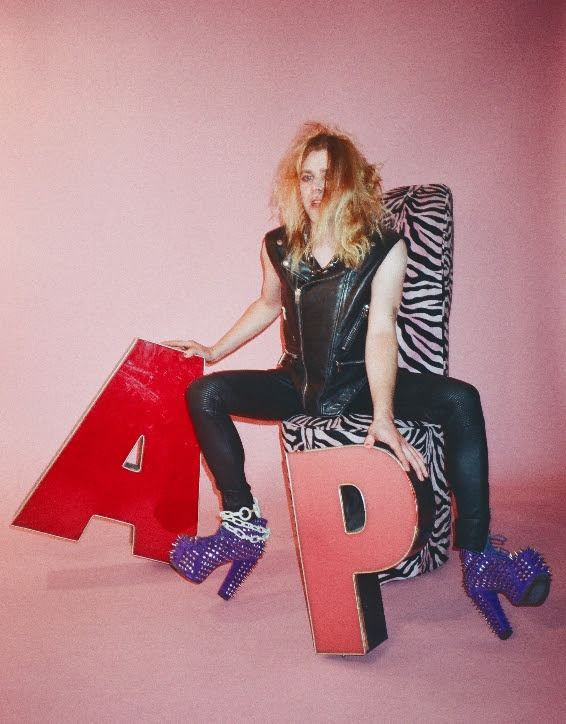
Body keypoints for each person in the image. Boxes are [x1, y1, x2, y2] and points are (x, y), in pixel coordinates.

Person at [164, 122, 550, 638]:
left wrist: (384, 416)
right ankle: (241, 526)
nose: (316, 189)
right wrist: (213, 350)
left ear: (350, 184)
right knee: (204, 392)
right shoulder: (278, 245)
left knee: (461, 399)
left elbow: (382, 329)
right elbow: (268, 303)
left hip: (364, 384)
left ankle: (480, 557)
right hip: (298, 384)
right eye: (307, 177)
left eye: (328, 177)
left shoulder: (384, 247)